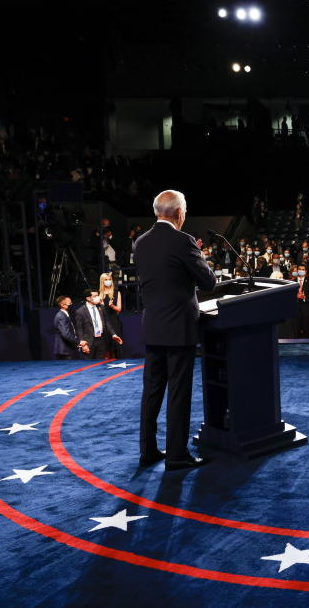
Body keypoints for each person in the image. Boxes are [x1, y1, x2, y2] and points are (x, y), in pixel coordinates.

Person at [134, 189, 217, 471]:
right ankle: (177, 455)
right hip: (179, 329)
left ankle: (148, 451)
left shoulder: (140, 242)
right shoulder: (183, 241)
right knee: (178, 393)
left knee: (152, 392)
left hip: (153, 327)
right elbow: (208, 282)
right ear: (179, 213)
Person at [74, 289, 123, 359]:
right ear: (88, 298)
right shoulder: (80, 311)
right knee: (89, 366)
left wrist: (113, 334)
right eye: (95, 296)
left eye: (98, 295)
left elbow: (107, 322)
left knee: (100, 364)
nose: (98, 298)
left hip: (101, 340)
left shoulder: (101, 307)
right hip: (89, 342)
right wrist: (82, 343)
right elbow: (79, 328)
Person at [98, 272, 123, 359]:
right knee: (105, 348)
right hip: (103, 323)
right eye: (106, 280)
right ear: (102, 281)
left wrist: (112, 306)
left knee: (115, 347)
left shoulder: (117, 293)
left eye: (110, 280)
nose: (108, 281)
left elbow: (119, 309)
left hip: (114, 321)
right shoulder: (99, 294)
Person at [294, 262, 309, 338]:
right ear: (297, 271)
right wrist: (296, 296)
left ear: (306, 271)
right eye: (300, 269)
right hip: (294, 310)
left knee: (306, 331)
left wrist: (304, 297)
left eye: (303, 269)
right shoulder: (292, 282)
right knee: (295, 331)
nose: (301, 271)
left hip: (306, 310)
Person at [52, 295, 79, 359]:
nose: (71, 305)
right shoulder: (61, 316)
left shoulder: (66, 315)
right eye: (70, 303)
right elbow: (66, 334)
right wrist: (79, 342)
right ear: (63, 305)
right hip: (65, 351)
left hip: (69, 349)